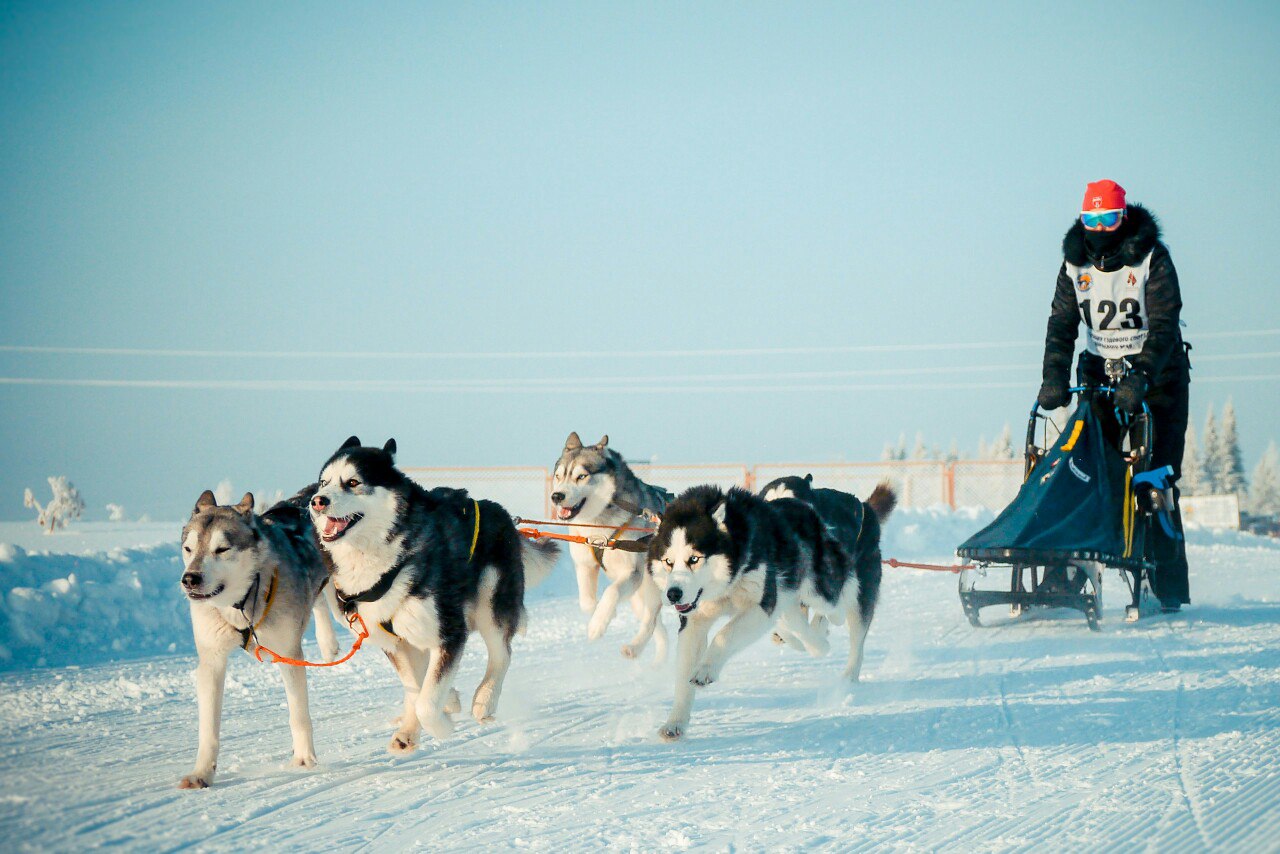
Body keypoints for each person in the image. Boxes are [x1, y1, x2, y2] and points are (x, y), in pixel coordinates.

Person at [1038, 179, 1192, 612]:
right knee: (1081, 471)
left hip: (1158, 377)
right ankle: (1063, 576)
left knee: (1156, 478)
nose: (1100, 229)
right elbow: (1062, 324)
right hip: (1098, 373)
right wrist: (1053, 376)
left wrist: (1141, 376)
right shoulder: (1074, 266)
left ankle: (1169, 585)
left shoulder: (1151, 259)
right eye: (1092, 219)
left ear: (1123, 219)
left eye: (1108, 219)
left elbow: (1164, 324)